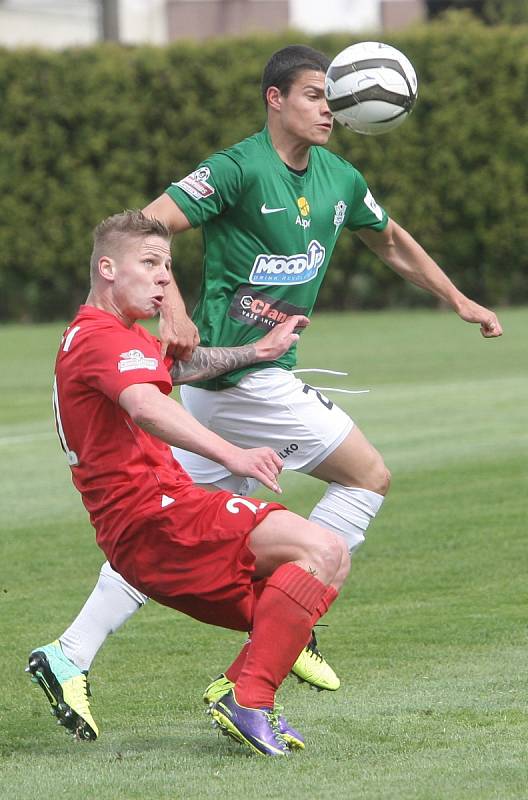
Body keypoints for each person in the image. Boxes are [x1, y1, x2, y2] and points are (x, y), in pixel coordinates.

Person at [29, 44, 503, 742]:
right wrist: (173, 308)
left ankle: (70, 654)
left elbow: (391, 240)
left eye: (334, 99)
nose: (330, 110)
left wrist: (457, 298)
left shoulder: (340, 179)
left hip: (229, 379)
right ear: (274, 99)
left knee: (154, 532)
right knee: (367, 476)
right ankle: (289, 620)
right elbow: (149, 224)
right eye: (316, 95)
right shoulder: (237, 168)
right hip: (243, 376)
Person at [28, 210, 350, 756]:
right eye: (149, 263)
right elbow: (148, 405)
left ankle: (251, 678)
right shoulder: (100, 339)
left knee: (313, 574)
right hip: (156, 517)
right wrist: (235, 455)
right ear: (107, 268)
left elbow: (172, 370)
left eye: (167, 265)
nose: (162, 277)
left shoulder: (112, 336)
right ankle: (247, 697)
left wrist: (257, 352)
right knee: (319, 550)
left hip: (160, 515)